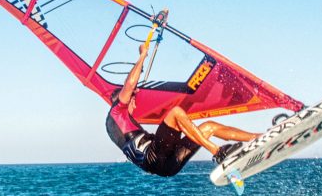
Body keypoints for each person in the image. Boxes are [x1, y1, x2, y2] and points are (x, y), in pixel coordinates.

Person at [106, 42, 260, 176]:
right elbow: (130, 84)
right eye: (133, 98)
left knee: (208, 127)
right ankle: (218, 152)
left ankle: (256, 138)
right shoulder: (117, 111)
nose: (135, 102)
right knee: (176, 112)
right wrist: (143, 55)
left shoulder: (116, 125)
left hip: (167, 166)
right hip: (154, 157)